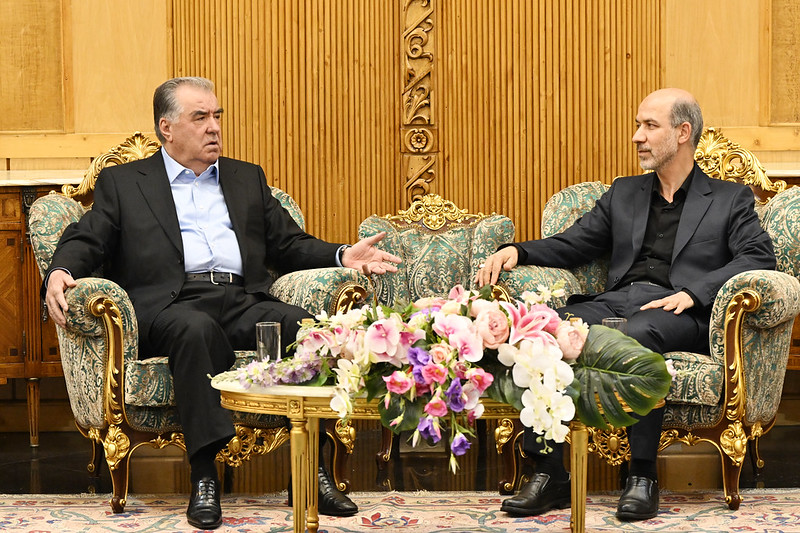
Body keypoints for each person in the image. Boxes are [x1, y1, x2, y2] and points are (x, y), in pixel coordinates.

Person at [43, 77, 402, 530]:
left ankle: (310, 472)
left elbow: (288, 243)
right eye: (200, 117)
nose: (214, 127)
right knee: (196, 330)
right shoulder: (125, 182)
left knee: (306, 329)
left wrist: (343, 255)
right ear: (167, 127)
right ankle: (204, 476)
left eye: (217, 116)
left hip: (240, 298)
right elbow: (88, 236)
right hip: (172, 303)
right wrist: (61, 270)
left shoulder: (244, 177)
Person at [476, 88, 776, 521]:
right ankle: (548, 473)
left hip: (679, 311)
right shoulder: (624, 192)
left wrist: (694, 293)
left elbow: (758, 256)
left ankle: (642, 475)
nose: (637, 136)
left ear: (683, 132)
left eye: (650, 126)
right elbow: (574, 244)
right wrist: (517, 251)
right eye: (638, 125)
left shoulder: (729, 198)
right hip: (618, 300)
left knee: (638, 332)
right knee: (537, 330)